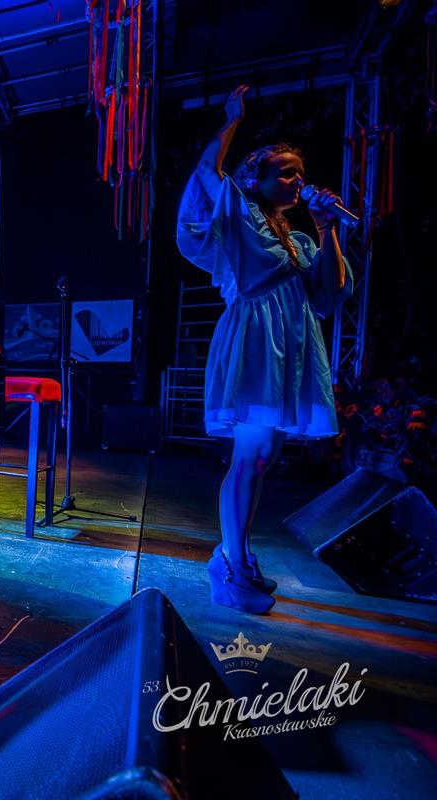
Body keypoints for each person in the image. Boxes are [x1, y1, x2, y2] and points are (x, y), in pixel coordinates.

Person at [176, 85, 353, 614]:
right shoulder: (240, 218)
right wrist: (232, 120)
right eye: (288, 173)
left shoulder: (300, 242)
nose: (298, 181)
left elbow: (331, 292)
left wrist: (326, 225)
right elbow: (206, 171)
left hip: (290, 348)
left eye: (301, 173)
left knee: (264, 458)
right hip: (256, 343)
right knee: (250, 457)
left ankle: (234, 555)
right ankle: (231, 568)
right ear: (257, 179)